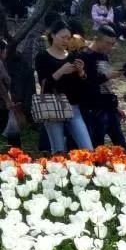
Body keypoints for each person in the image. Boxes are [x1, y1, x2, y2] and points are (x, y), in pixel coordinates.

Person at [34, 20, 95, 154]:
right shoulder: (43, 56)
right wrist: (61, 71)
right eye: (63, 37)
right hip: (53, 105)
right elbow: (44, 83)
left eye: (68, 38)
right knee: (58, 151)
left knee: (87, 148)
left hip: (73, 106)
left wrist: (81, 72)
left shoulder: (72, 56)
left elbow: (82, 86)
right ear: (52, 35)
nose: (66, 41)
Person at [77, 25, 126, 148]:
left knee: (122, 147)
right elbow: (85, 83)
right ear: (97, 39)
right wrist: (106, 76)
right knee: (98, 147)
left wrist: (115, 107)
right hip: (94, 110)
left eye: (112, 43)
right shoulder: (85, 56)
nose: (110, 47)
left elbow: (106, 86)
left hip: (109, 108)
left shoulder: (104, 56)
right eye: (107, 43)